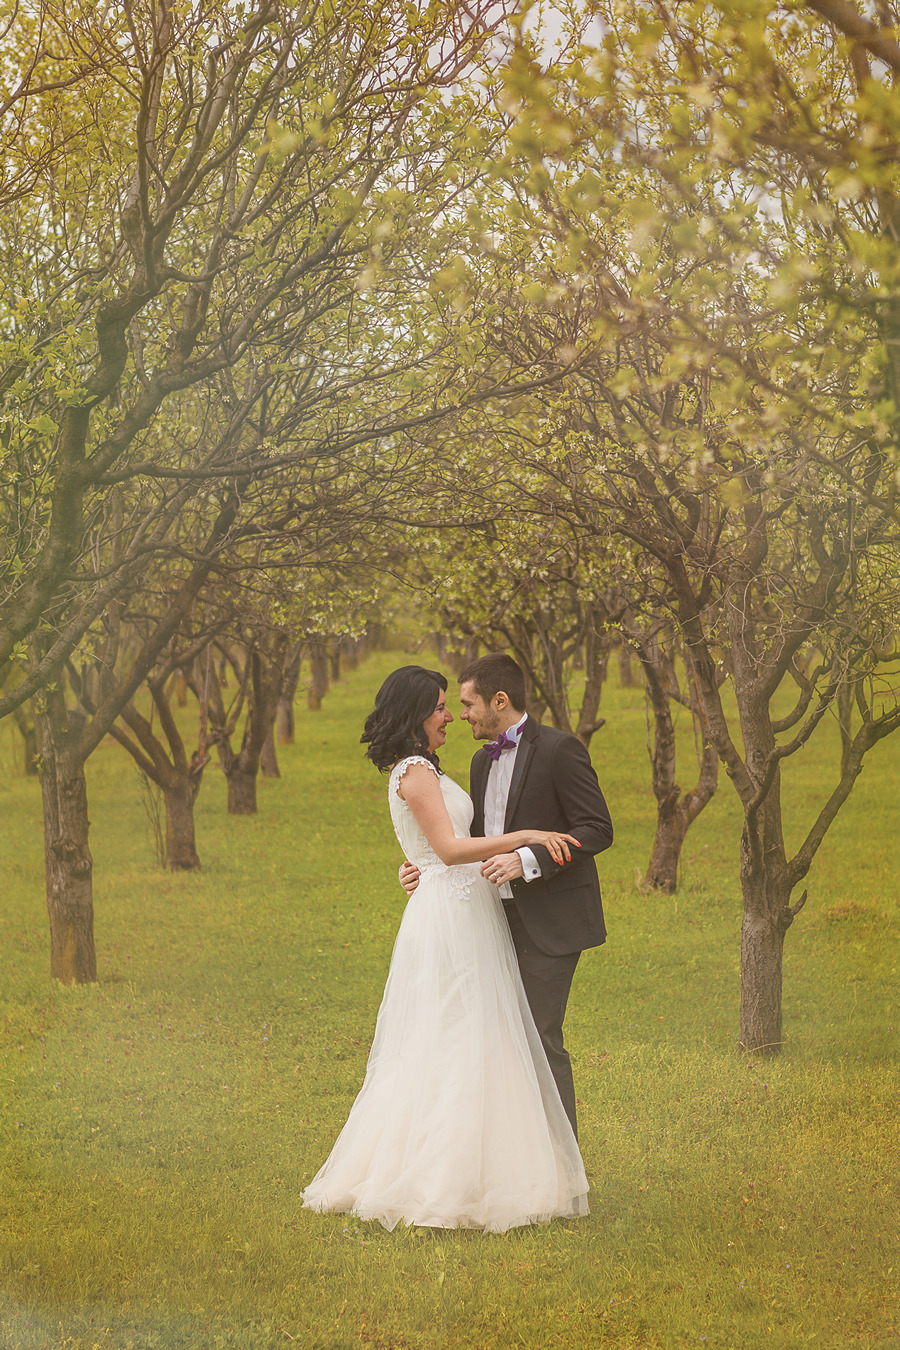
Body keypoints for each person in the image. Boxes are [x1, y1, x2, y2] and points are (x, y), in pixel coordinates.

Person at [302, 665, 589, 1232]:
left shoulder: (431, 769)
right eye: (439, 707)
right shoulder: (414, 770)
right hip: (451, 916)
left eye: (454, 704)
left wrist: (420, 864)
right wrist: (527, 835)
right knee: (453, 1038)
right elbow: (452, 848)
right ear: (414, 717)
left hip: (469, 910)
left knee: (478, 1037)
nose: (450, 717)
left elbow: (437, 845)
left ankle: (501, 1168)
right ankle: (439, 1181)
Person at [400, 652, 613, 1137]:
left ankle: (563, 1164)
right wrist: (422, 868)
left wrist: (529, 861)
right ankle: (511, 1158)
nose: (461, 715)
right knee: (492, 1038)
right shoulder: (480, 761)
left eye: (469, 704)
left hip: (550, 921)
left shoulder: (560, 750)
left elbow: (597, 829)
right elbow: (469, 838)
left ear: (500, 700)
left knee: (538, 1039)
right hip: (486, 921)